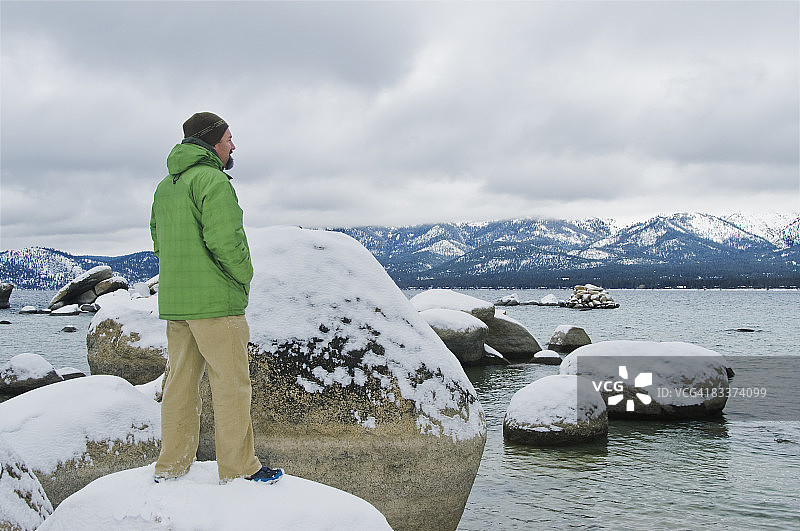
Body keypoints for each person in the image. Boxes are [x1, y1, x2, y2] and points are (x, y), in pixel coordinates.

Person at [150, 112, 282, 484]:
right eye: (228, 139)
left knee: (179, 387)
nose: (233, 145)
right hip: (216, 306)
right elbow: (227, 242)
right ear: (211, 142)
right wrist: (243, 278)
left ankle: (171, 467)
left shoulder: (165, 186)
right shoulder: (212, 180)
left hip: (178, 305)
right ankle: (240, 469)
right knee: (231, 387)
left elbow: (159, 243)